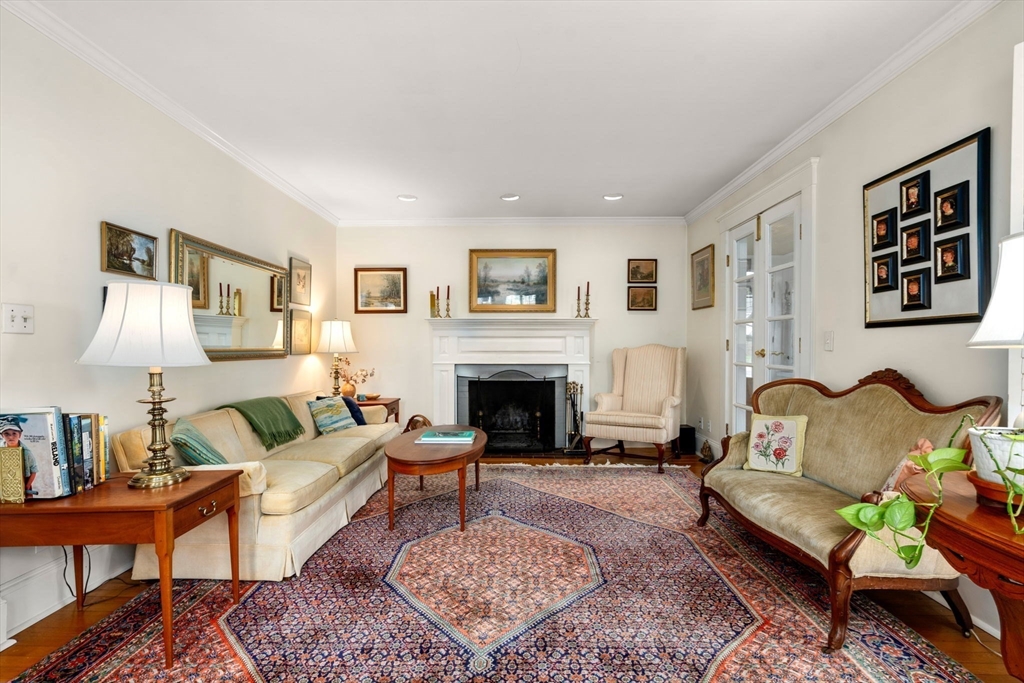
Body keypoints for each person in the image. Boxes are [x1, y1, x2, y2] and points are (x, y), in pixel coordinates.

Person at [0, 415, 37, 497]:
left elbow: (33, 470)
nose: (11, 437)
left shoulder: (26, 452)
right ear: (2, 436)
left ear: (20, 435)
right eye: (6, 434)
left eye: (14, 433)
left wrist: (27, 485)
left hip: (23, 483)